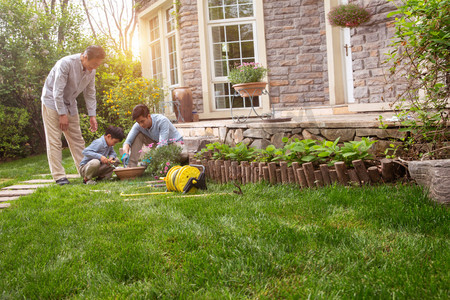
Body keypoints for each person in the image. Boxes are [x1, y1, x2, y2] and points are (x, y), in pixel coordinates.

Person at [41, 45, 106, 185]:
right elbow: (57, 92)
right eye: (94, 64)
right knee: (55, 141)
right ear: (85, 57)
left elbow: (90, 93)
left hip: (70, 103)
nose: (95, 67)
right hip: (52, 101)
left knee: (77, 139)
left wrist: (92, 115)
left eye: (98, 65)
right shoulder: (66, 63)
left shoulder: (91, 71)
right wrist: (62, 114)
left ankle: (85, 173)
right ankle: (59, 176)